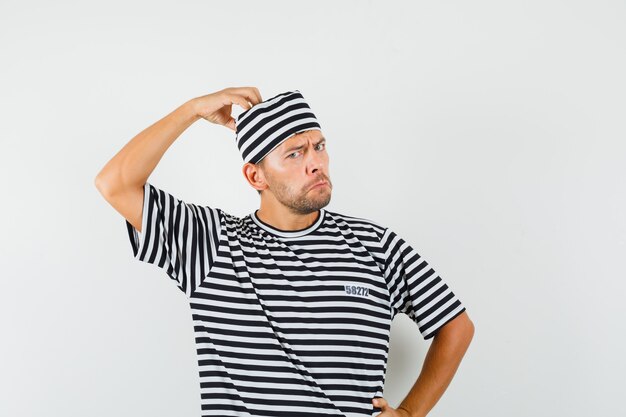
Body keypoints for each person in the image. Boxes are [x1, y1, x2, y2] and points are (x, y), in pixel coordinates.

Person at [95, 87, 474, 417]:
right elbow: (115, 183)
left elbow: (455, 325)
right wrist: (192, 109)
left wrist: (409, 412)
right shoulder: (210, 243)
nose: (316, 163)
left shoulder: (376, 246)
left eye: (319, 147)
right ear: (255, 176)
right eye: (294, 154)